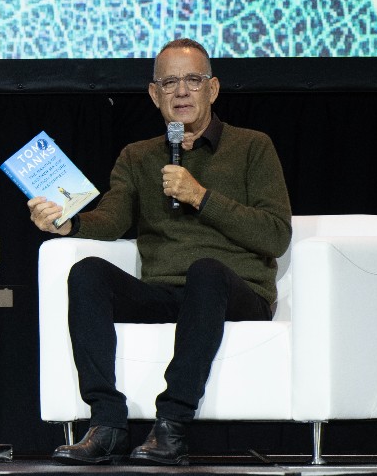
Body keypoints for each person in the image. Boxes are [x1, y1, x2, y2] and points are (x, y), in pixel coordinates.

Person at [28, 38, 291, 466]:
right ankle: (107, 424)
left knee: (207, 271)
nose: (182, 92)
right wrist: (69, 223)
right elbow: (112, 219)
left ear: (214, 89)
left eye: (193, 80)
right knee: (88, 272)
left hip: (237, 293)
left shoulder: (252, 147)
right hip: (169, 292)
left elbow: (276, 235)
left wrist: (200, 196)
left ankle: (171, 426)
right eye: (169, 82)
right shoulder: (138, 156)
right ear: (155, 95)